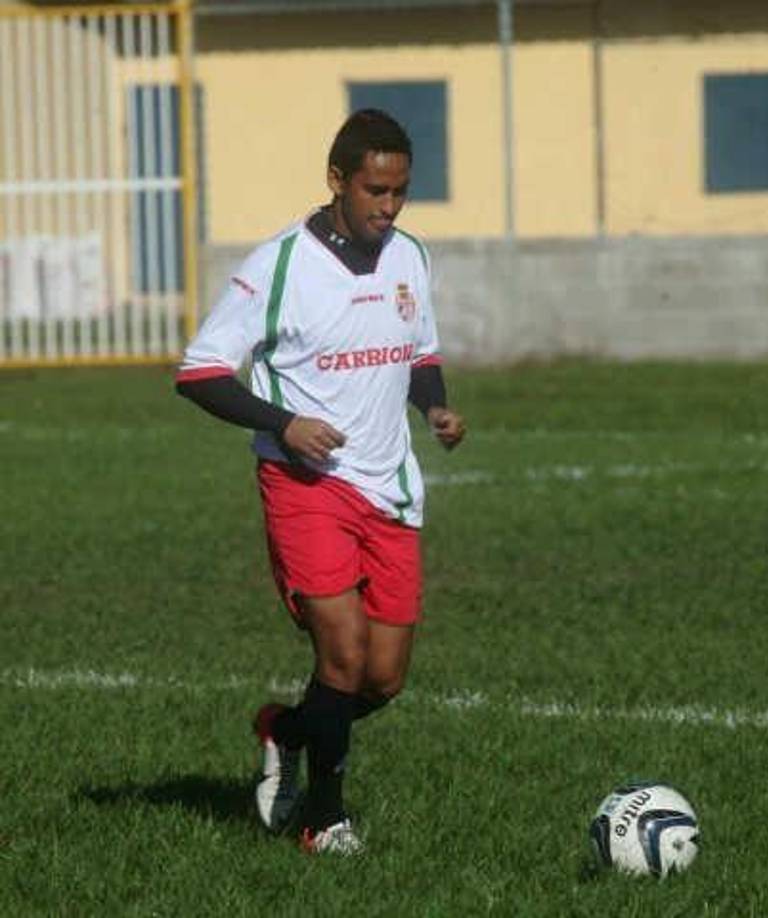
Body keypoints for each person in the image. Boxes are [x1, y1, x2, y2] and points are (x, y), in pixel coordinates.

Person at [175, 109, 466, 854]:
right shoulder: (279, 266)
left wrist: (434, 407)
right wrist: (284, 425)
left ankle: (287, 730)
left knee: (382, 678)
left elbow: (419, 353)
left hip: (389, 487)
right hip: (305, 485)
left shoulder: (409, 257)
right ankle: (323, 822)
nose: (388, 207)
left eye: (399, 192)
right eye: (375, 190)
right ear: (337, 180)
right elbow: (200, 372)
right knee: (341, 652)